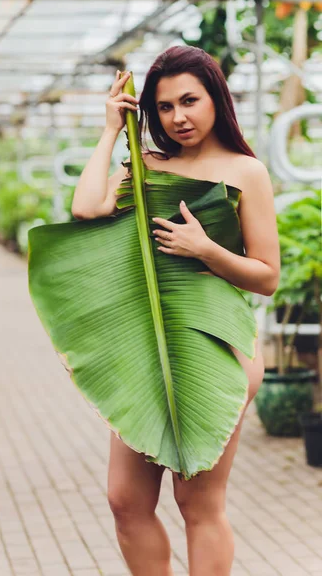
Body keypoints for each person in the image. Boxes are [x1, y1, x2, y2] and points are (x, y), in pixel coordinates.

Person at [71, 45, 280, 576]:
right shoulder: (148, 165)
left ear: (216, 98)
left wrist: (205, 249)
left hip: (217, 344)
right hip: (147, 342)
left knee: (198, 504)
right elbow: (86, 207)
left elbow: (268, 276)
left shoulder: (245, 171)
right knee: (125, 500)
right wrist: (110, 131)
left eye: (189, 100)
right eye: (164, 107)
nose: (178, 117)